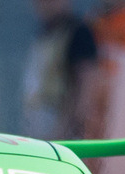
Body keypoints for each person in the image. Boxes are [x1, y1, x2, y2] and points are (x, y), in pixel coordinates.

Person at [22, 0, 104, 143]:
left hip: (62, 130)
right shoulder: (45, 33)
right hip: (38, 127)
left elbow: (86, 89)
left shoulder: (78, 33)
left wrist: (61, 132)